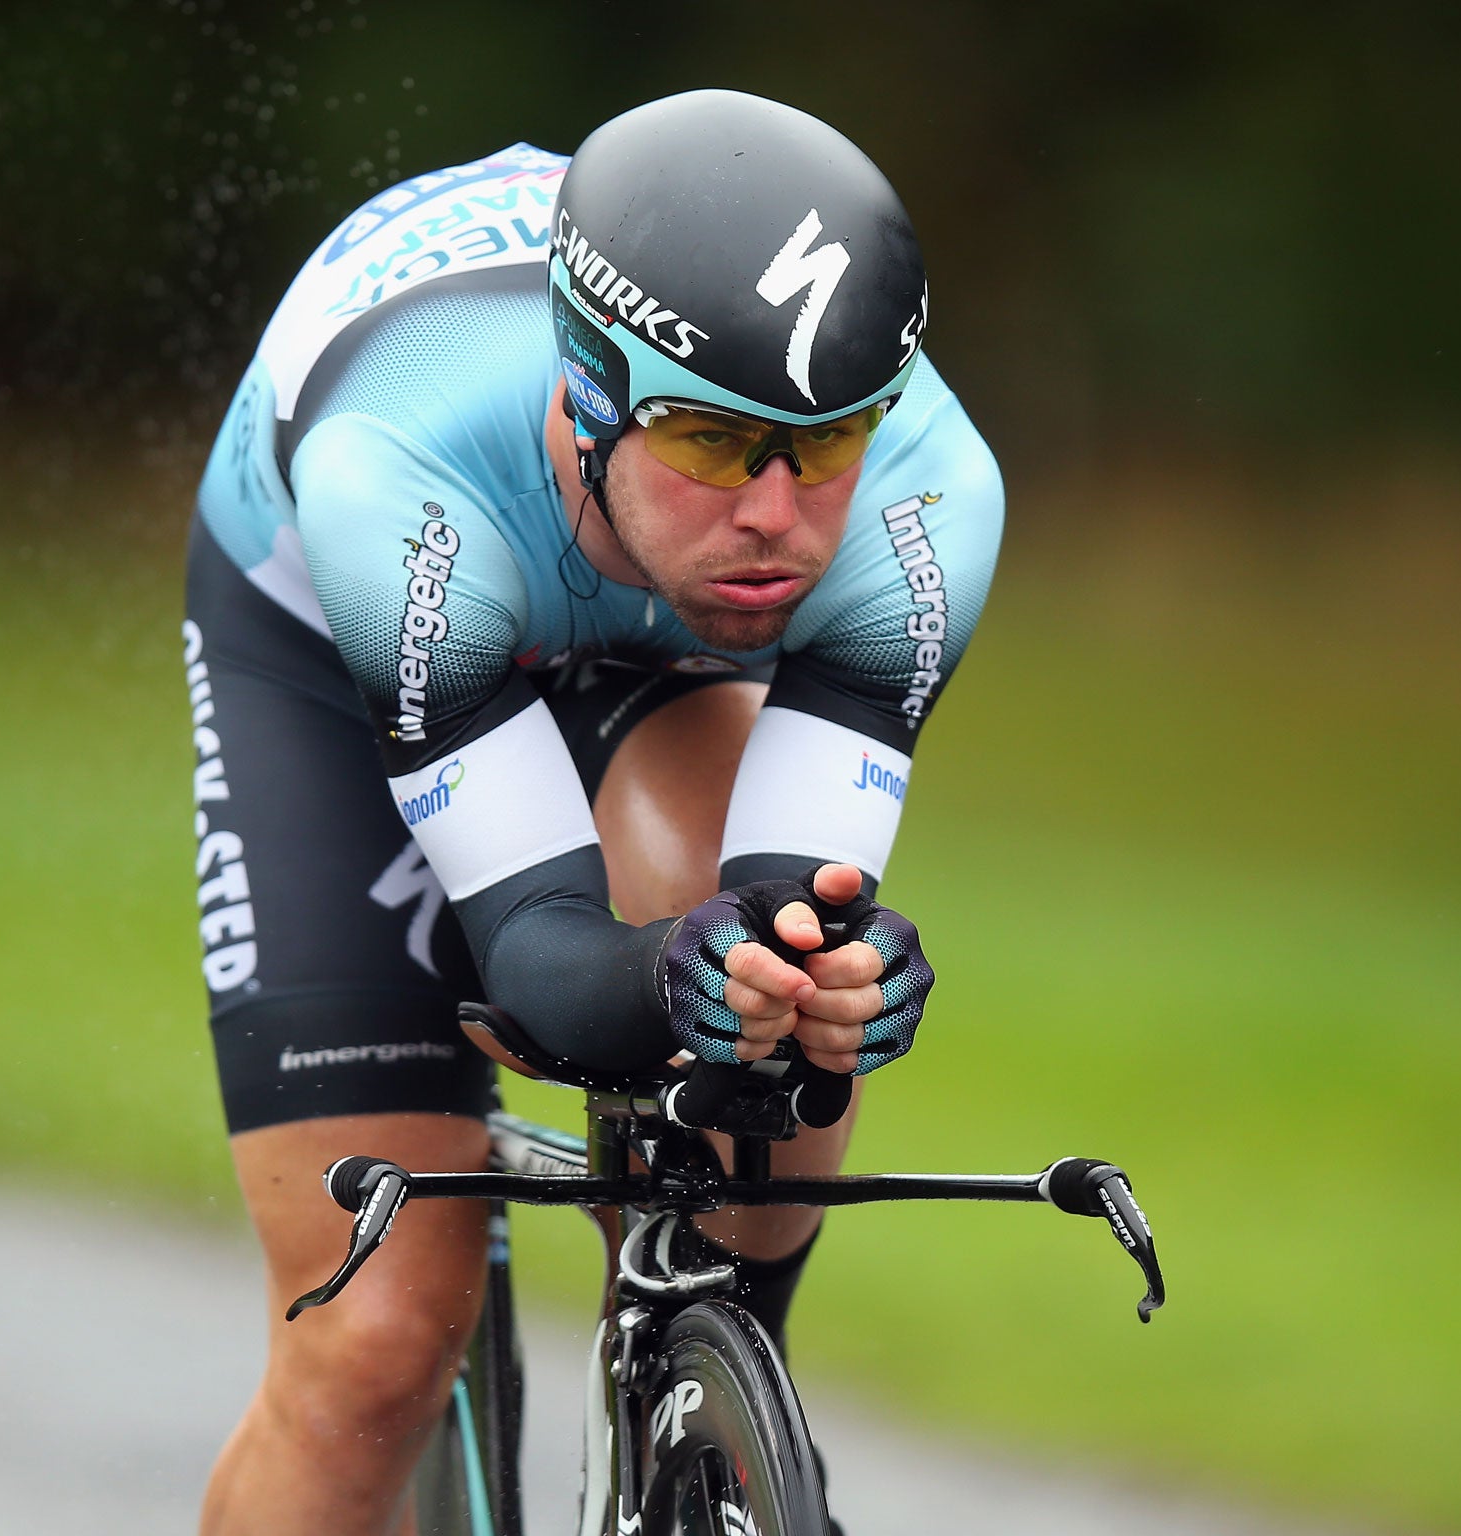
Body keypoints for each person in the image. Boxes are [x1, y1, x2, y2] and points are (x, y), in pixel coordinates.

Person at [182, 89, 1003, 1534]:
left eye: (821, 448)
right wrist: (647, 977)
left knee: (751, 983)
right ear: (588, 401)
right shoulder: (402, 472)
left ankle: (710, 1405)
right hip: (339, 631)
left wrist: (826, 979)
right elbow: (546, 956)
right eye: (704, 441)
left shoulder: (932, 499)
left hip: (658, 636)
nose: (771, 515)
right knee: (372, 1345)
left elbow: (784, 900)